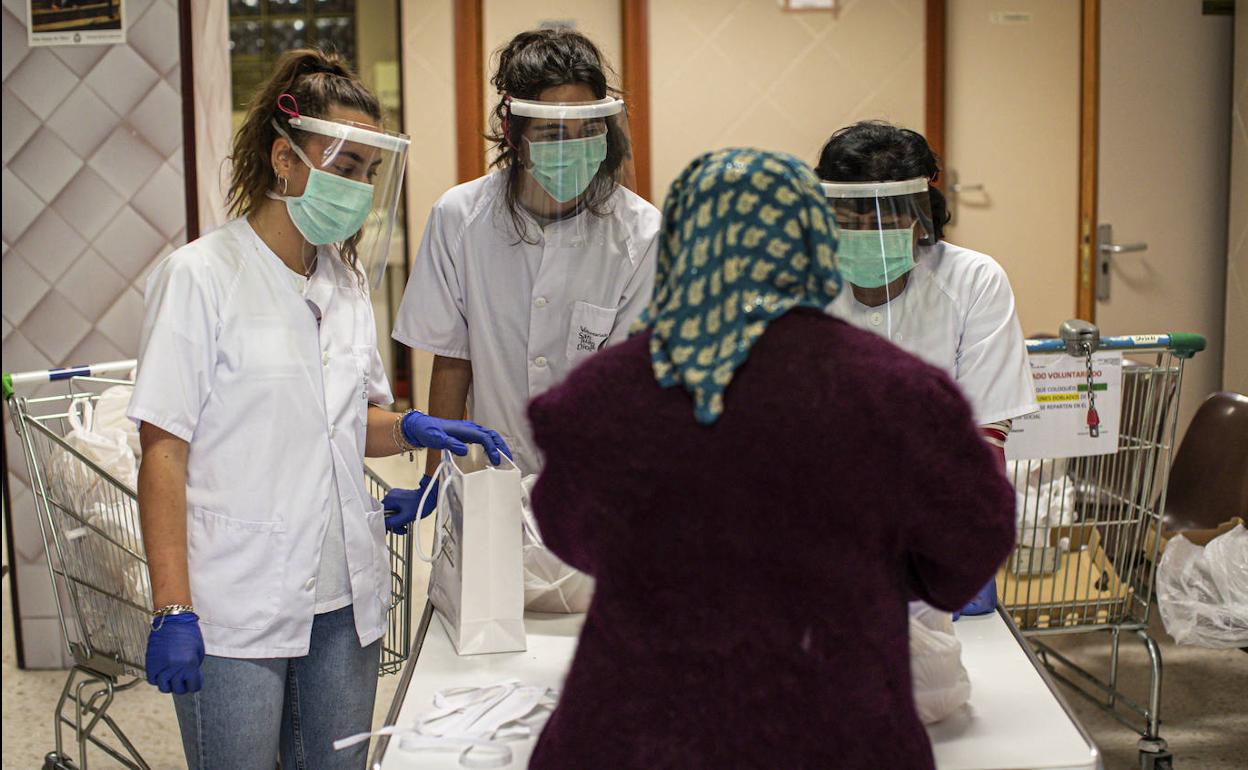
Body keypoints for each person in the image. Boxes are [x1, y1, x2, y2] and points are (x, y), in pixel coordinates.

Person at [524, 148, 1016, 769]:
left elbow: (569, 536)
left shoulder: (606, 391)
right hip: (837, 730)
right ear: (815, 240)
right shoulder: (898, 391)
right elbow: (972, 541)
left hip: (639, 734)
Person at [128, 49, 507, 770]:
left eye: (369, 171)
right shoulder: (200, 277)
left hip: (344, 599)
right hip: (237, 601)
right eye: (346, 165)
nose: (359, 187)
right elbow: (164, 450)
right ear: (284, 159)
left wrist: (410, 428)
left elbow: (344, 421)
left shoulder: (345, 281)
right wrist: (173, 607)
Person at [391, 28, 661, 517]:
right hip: (491, 482)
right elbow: (452, 360)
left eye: (587, 131)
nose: (572, 148)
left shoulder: (641, 234)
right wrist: (435, 480)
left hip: (599, 490)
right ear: (513, 132)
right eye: (553, 134)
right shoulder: (460, 218)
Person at [816, 121, 1037, 615]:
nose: (869, 235)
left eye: (887, 220)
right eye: (851, 220)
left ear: (921, 218)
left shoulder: (973, 280)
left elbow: (984, 436)